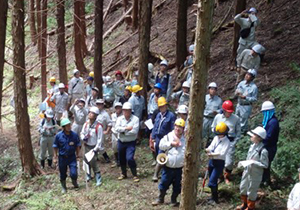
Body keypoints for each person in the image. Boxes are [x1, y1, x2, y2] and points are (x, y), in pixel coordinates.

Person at [152, 119, 186, 207]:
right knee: (164, 182)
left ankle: (173, 200)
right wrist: (171, 144)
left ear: (183, 128)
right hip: (168, 167)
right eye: (177, 126)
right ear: (174, 126)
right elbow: (160, 145)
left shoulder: (185, 139)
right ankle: (160, 198)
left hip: (180, 168)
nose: (178, 129)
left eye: (180, 127)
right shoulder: (168, 136)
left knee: (177, 186)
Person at [237, 126, 268, 210]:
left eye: (254, 135)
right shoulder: (252, 147)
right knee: (243, 188)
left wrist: (255, 162)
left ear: (259, 137)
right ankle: (244, 204)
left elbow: (265, 165)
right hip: (247, 171)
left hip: (255, 174)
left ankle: (250, 207)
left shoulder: (263, 150)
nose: (252, 136)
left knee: (251, 191)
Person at [211, 100, 241, 184]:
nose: (229, 114)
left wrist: (235, 142)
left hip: (230, 141)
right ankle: (219, 176)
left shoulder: (236, 118)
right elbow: (212, 127)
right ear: (223, 111)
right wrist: (217, 132)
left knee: (229, 162)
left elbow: (238, 132)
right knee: (219, 159)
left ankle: (227, 175)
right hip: (220, 141)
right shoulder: (218, 117)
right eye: (228, 112)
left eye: (230, 112)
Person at [151, 97, 176, 182]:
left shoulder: (171, 116)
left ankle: (156, 174)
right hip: (158, 138)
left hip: (165, 138)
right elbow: (155, 126)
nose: (162, 108)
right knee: (158, 154)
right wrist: (153, 137)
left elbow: (173, 129)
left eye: (163, 106)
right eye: (160, 106)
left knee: (161, 155)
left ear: (166, 106)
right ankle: (163, 172)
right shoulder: (158, 115)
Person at [205, 122, 230, 205]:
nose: (219, 135)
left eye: (220, 134)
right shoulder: (216, 138)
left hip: (219, 162)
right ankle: (213, 197)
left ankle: (215, 199)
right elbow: (211, 147)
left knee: (212, 181)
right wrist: (208, 150)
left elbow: (222, 153)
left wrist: (212, 154)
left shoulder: (227, 142)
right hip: (212, 161)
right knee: (212, 180)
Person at [53, 118, 81, 193]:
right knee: (62, 173)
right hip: (62, 158)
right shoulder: (58, 136)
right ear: (63, 127)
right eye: (67, 126)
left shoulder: (74, 135)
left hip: (72, 157)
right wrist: (55, 157)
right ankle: (64, 187)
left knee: (74, 173)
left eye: (69, 125)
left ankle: (74, 182)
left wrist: (78, 155)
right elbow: (55, 146)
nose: (69, 127)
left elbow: (77, 145)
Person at [115, 102, 140, 182]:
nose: (126, 112)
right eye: (124, 110)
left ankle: (134, 174)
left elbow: (134, 131)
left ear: (130, 111)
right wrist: (127, 128)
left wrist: (123, 131)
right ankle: (123, 173)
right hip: (121, 141)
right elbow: (117, 129)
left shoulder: (135, 119)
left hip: (130, 142)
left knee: (129, 158)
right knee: (121, 158)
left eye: (127, 110)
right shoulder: (119, 119)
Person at [80, 107, 104, 186]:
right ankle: (88, 174)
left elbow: (100, 139)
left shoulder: (98, 126)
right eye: (89, 112)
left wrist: (96, 149)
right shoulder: (86, 124)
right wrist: (83, 137)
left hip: (93, 147)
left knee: (93, 161)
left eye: (92, 113)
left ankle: (98, 176)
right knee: (86, 160)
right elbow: (82, 133)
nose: (90, 114)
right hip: (86, 145)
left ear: (96, 116)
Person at [260, 101, 280, 185]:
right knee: (264, 164)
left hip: (270, 147)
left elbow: (269, 136)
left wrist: (260, 138)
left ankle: (266, 181)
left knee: (266, 164)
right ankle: (264, 180)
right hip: (266, 146)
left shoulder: (273, 122)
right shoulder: (269, 121)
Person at [235, 69, 258, 134]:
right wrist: (237, 93)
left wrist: (246, 98)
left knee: (243, 122)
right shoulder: (241, 83)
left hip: (246, 106)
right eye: (247, 74)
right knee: (236, 119)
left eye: (249, 75)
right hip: (239, 104)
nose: (247, 76)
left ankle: (242, 134)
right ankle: (235, 132)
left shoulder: (254, 87)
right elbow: (237, 90)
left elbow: (254, 99)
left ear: (252, 77)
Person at [96, 99, 112, 163]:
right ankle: (95, 157)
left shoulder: (105, 114)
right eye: (98, 104)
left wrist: (107, 131)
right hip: (94, 131)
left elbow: (109, 123)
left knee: (100, 146)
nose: (99, 106)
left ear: (103, 105)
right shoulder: (95, 112)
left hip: (101, 131)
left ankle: (106, 157)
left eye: (100, 104)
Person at [111, 102, 123, 168]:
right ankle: (116, 160)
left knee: (120, 147)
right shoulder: (113, 115)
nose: (118, 109)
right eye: (116, 108)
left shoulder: (123, 116)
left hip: (120, 133)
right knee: (114, 147)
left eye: (119, 107)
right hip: (114, 132)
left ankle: (121, 161)